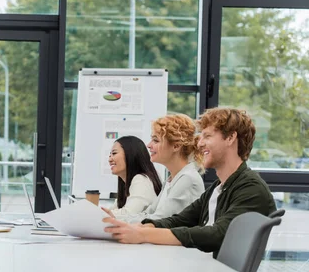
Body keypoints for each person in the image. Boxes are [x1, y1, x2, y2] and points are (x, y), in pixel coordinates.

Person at [103, 107, 276, 257]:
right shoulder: (217, 188)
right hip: (207, 270)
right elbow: (178, 220)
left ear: (230, 138)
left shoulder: (250, 188)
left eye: (207, 136)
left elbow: (217, 233)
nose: (199, 144)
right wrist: (139, 228)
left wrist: (143, 235)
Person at [115, 114, 205, 223]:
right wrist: (117, 218)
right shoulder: (171, 180)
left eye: (156, 140)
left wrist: (117, 220)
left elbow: (160, 219)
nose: (148, 145)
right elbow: (149, 213)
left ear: (176, 146)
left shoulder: (187, 179)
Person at [107, 135, 162, 217]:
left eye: (114, 153)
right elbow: (114, 210)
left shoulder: (141, 180)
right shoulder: (128, 182)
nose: (110, 159)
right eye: (110, 155)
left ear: (130, 154)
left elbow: (129, 214)